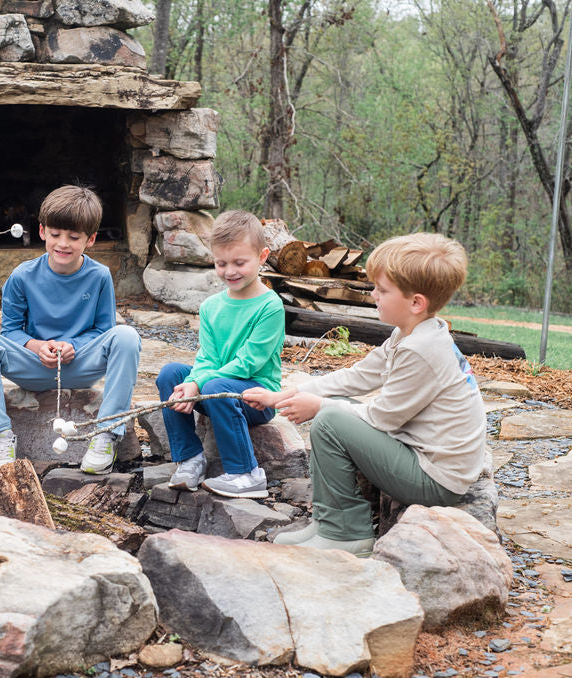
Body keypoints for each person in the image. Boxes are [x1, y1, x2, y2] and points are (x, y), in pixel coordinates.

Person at [243, 232, 485, 557]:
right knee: (336, 411)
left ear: (416, 302)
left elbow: (382, 417)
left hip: (436, 480)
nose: (373, 295)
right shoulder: (412, 333)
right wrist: (289, 393)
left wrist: (318, 406)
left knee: (330, 419)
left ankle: (345, 533)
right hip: (427, 460)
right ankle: (327, 522)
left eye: (383, 290)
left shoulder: (421, 350)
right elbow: (358, 377)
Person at [0, 185, 141, 474]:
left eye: (74, 237)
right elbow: (10, 331)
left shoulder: (99, 276)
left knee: (126, 336)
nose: (63, 243)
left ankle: (106, 434)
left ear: (91, 239)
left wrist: (74, 345)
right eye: (56, 234)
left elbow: (104, 331)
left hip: (80, 367)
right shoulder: (22, 276)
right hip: (35, 367)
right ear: (42, 231)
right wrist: (37, 346)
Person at [156, 210, 285, 499]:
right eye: (221, 263)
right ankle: (190, 459)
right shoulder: (211, 307)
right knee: (170, 375)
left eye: (240, 262)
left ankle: (245, 474)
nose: (230, 271)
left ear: (262, 257)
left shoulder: (270, 307)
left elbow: (249, 363)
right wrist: (191, 382)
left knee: (215, 385)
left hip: (257, 398)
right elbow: (208, 359)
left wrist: (199, 384)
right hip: (216, 389)